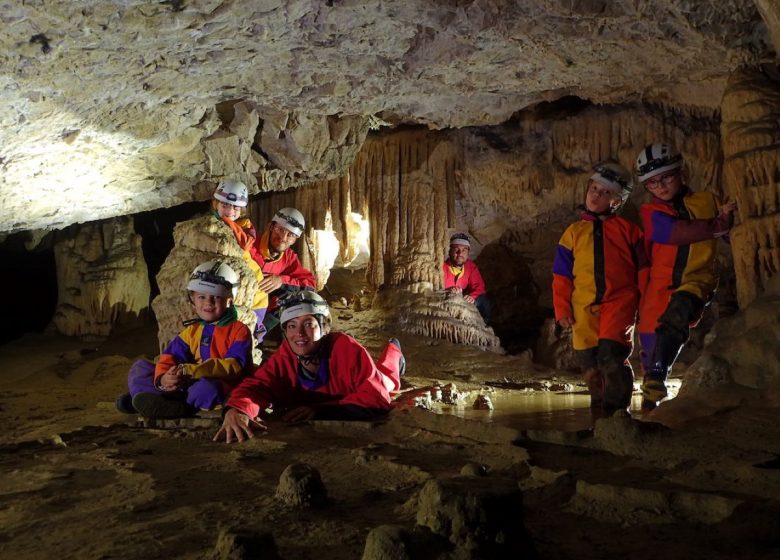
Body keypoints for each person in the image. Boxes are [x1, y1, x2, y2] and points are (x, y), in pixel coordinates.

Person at [213, 291, 404, 443]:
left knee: (388, 380)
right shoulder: (285, 355)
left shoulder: (345, 348)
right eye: (292, 326)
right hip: (335, 399)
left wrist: (319, 411)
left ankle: (394, 350)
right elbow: (257, 386)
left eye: (308, 324)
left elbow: (376, 398)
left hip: (362, 386)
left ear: (325, 328)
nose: (300, 334)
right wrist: (237, 410)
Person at [635, 143, 736, 411]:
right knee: (650, 346)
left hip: (695, 280)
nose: (661, 186)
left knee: (678, 314)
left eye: (667, 177)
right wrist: (718, 225)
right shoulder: (651, 212)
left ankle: (658, 375)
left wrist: (728, 223)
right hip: (658, 288)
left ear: (682, 173)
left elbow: (733, 232)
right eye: (653, 183)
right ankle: (649, 410)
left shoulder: (706, 201)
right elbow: (675, 233)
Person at [552, 162, 647, 415]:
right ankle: (598, 412)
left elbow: (644, 268)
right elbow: (561, 275)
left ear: (616, 201)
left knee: (611, 356)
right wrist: (562, 308)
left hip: (620, 302)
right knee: (590, 364)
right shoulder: (572, 233)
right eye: (594, 188)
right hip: (582, 307)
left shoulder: (629, 231)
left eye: (605, 192)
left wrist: (646, 300)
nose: (595, 195)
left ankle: (617, 413)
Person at [116, 261, 253, 418]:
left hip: (217, 382)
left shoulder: (239, 330)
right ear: (193, 300)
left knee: (208, 389)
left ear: (229, 300)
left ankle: (178, 407)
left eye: (216, 297)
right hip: (187, 379)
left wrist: (194, 371)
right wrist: (164, 379)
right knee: (140, 368)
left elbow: (234, 366)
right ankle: (156, 396)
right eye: (201, 297)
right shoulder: (192, 331)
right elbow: (170, 357)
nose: (208, 302)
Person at [212, 179, 269, 345]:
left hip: (255, 294)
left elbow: (244, 243)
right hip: (235, 289)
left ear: (242, 209)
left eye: (235, 207)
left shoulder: (245, 227)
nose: (230, 210)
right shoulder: (211, 225)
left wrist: (228, 223)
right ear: (216, 204)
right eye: (225, 205)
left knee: (248, 332)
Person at [248, 207, 317, 333]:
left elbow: (309, 283)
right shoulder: (250, 244)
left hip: (262, 310)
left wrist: (281, 280)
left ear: (295, 239)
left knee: (294, 296)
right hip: (241, 302)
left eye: (290, 235)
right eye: (280, 229)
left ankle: (261, 332)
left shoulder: (289, 258)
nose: (283, 238)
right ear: (270, 226)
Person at [442, 233, 491, 323]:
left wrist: (472, 296)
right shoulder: (442, 267)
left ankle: (484, 326)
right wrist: (448, 290)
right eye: (456, 249)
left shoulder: (470, 266)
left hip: (463, 298)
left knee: (484, 301)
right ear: (450, 251)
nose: (460, 253)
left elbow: (479, 286)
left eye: (464, 250)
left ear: (468, 253)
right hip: (446, 299)